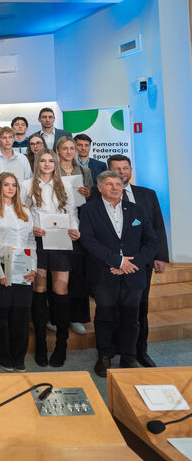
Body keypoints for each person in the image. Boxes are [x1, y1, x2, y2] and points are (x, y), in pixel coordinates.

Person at [80, 171, 158, 377]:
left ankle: (128, 357)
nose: (115, 187)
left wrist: (133, 263)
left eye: (118, 183)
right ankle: (104, 356)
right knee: (105, 317)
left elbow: (151, 241)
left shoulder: (137, 210)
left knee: (131, 318)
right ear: (99, 188)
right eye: (109, 184)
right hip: (104, 272)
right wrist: (118, 261)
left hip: (134, 273)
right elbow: (88, 240)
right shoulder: (89, 210)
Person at [106, 154, 169, 368]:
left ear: (131, 170)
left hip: (141, 262)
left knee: (140, 308)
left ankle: (140, 351)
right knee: (112, 308)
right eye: (116, 169)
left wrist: (160, 256)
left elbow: (158, 227)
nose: (121, 172)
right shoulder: (99, 195)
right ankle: (113, 350)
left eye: (125, 168)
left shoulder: (147, 195)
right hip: (112, 264)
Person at [22, 148, 80, 368]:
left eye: (50, 161)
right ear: (37, 163)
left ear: (55, 163)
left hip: (61, 239)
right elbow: (21, 212)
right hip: (37, 240)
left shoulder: (65, 185)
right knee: (39, 287)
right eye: (43, 161)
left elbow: (72, 213)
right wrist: (31, 228)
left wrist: (75, 229)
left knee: (60, 288)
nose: (47, 164)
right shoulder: (27, 185)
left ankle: (61, 345)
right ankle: (41, 345)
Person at [0, 173, 37, 372]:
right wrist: (0, 273)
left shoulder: (25, 210)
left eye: (14, 185)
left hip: (23, 267)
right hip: (2, 267)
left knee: (21, 315)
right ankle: (4, 356)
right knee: (2, 315)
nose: (10, 188)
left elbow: (31, 241)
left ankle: (19, 357)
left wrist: (34, 267)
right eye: (6, 185)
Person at [56, 136, 93, 335]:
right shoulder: (52, 170)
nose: (69, 151)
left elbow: (92, 198)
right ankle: (57, 316)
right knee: (59, 271)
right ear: (58, 151)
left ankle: (77, 316)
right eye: (65, 148)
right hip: (58, 222)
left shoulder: (85, 171)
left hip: (80, 223)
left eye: (72, 148)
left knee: (78, 272)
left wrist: (88, 193)